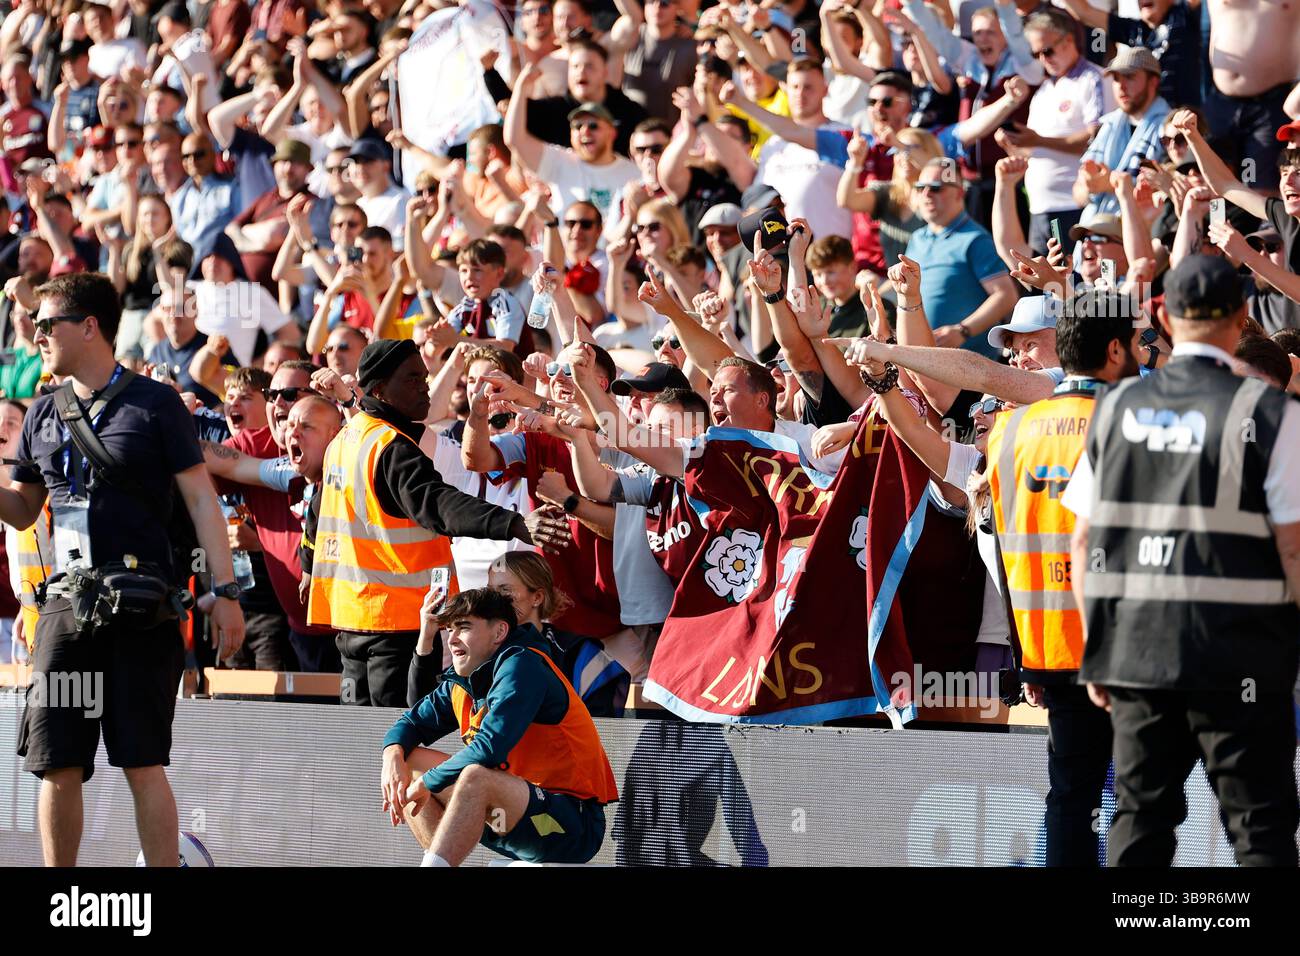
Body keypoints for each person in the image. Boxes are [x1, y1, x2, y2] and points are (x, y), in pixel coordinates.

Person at [1063, 255, 1300, 866]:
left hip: (1139, 654)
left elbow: (1084, 540)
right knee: (1261, 831)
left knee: (1141, 819)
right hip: (1241, 656)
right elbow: (1293, 548)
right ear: (1244, 317)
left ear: (1164, 316)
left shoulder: (1115, 410)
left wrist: (1096, 647)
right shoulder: (1272, 414)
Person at [1, 272, 245, 866]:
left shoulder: (155, 403)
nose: (36, 335)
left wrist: (228, 590)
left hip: (142, 607)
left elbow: (200, 503)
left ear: (88, 327)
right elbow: (23, 509)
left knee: (142, 761)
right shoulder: (41, 411)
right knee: (56, 760)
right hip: (65, 607)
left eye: (46, 324)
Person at [306, 339, 570, 706]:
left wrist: (308, 567)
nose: (425, 386)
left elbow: (317, 513)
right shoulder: (390, 448)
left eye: (424, 376)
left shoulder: (346, 439)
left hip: (351, 618)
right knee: (398, 741)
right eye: (412, 379)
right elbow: (439, 505)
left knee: (361, 736)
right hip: (395, 625)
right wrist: (514, 523)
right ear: (380, 389)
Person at [985, 289, 1142, 866]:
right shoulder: (1133, 423)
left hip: (1048, 645)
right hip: (1125, 646)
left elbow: (1003, 548)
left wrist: (1024, 655)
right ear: (1116, 349)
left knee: (1071, 795)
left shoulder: (1009, 431)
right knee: (1139, 797)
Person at [380, 587, 618, 867]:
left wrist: (426, 783)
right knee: (408, 762)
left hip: (570, 823)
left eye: (464, 627)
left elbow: (489, 749)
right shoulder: (461, 679)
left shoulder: (522, 665)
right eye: (450, 629)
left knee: (475, 776)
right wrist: (392, 757)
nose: (452, 639)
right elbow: (410, 723)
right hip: (512, 810)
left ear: (499, 632)